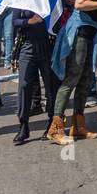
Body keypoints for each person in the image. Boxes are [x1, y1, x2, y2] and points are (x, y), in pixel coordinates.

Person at [49, 0, 97, 145]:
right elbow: (80, 4)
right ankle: (56, 129)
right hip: (80, 33)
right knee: (72, 79)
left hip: (92, 33)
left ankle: (78, 125)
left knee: (86, 79)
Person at [11, 8, 60, 144]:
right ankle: (23, 125)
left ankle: (52, 122)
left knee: (51, 86)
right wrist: (30, 21)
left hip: (47, 43)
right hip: (27, 45)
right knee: (24, 85)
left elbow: (59, 16)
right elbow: (15, 21)